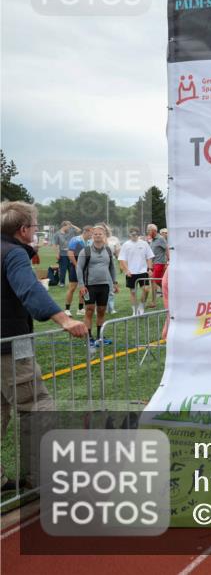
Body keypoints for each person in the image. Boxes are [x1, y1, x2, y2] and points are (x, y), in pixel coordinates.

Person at [1, 202, 88, 492]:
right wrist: (64, 320)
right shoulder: (13, 253)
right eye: (35, 226)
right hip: (10, 348)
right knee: (38, 409)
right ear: (23, 230)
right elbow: (30, 289)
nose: (37, 231)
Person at [76, 224, 119, 351]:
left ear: (105, 236)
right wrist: (81, 285)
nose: (98, 236)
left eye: (100, 234)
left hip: (104, 285)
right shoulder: (86, 251)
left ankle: (100, 337)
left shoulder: (108, 250)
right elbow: (79, 268)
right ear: (92, 236)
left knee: (101, 310)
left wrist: (115, 282)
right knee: (89, 310)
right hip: (89, 286)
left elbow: (112, 267)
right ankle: (88, 337)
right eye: (95, 234)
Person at [118, 227, 154, 316]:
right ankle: (134, 311)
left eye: (135, 234)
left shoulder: (144, 243)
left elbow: (149, 257)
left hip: (143, 271)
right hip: (131, 272)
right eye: (132, 234)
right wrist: (126, 270)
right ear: (129, 234)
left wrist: (149, 269)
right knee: (133, 292)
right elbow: (122, 259)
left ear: (138, 234)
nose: (134, 235)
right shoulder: (126, 244)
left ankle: (141, 306)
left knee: (146, 289)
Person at [66, 225, 93, 315]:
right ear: (85, 231)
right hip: (75, 267)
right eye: (91, 233)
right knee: (72, 288)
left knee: (83, 288)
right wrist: (77, 265)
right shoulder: (75, 240)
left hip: (85, 268)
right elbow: (70, 253)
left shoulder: (90, 241)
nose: (92, 235)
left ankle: (80, 309)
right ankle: (67, 310)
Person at [49, 221, 79, 291]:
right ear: (64, 226)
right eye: (68, 226)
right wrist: (57, 253)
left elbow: (78, 230)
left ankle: (73, 282)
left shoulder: (70, 231)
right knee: (63, 269)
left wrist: (72, 225)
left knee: (72, 268)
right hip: (63, 254)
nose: (69, 227)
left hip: (72, 253)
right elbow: (54, 245)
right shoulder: (57, 234)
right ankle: (62, 282)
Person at [147, 224, 169, 308]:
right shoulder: (152, 240)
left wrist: (169, 261)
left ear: (154, 231)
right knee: (160, 282)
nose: (147, 232)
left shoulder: (160, 239)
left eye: (149, 230)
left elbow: (166, 249)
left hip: (159, 263)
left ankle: (154, 302)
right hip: (154, 263)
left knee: (153, 281)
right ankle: (169, 293)